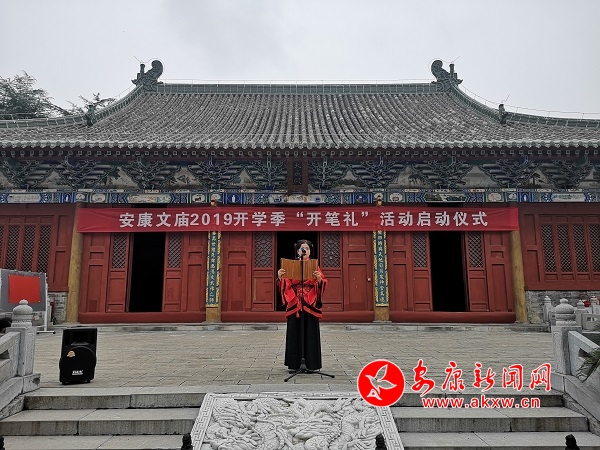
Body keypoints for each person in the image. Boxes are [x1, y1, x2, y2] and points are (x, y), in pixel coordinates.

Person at [277, 239, 327, 372]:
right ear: (298, 251)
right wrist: (280, 277)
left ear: (310, 251)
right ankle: (294, 363)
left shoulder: (315, 266)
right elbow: (286, 283)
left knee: (311, 332)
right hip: (295, 300)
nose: (305, 250)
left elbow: (322, 282)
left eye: (307, 248)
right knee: (294, 332)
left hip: (310, 300)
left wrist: (319, 279)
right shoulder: (291, 266)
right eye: (302, 248)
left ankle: (311, 364)